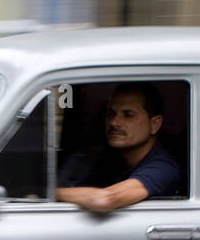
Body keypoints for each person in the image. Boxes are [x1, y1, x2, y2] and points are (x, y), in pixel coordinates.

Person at [57, 82, 181, 213]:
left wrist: (48, 193)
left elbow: (105, 199)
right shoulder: (113, 161)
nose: (114, 122)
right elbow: (80, 190)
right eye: (111, 114)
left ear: (155, 124)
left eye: (128, 114)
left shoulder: (163, 167)